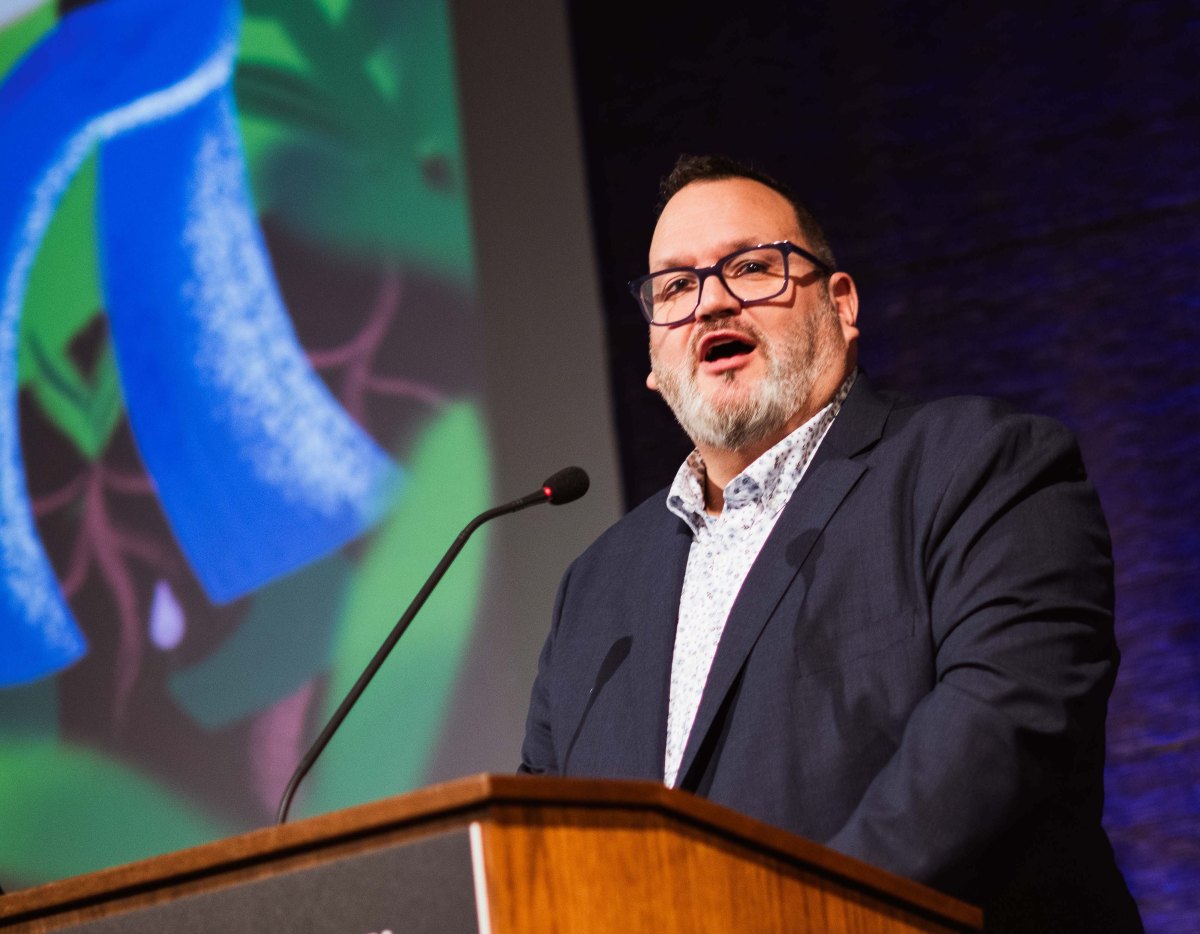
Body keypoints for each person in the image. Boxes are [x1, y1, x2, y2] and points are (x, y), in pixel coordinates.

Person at [519, 154, 1142, 930]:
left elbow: (1005, 730)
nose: (711, 304)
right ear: (653, 359)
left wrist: (802, 920)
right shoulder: (597, 586)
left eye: (751, 267)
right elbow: (540, 854)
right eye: (676, 288)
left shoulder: (979, 466)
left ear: (840, 305)